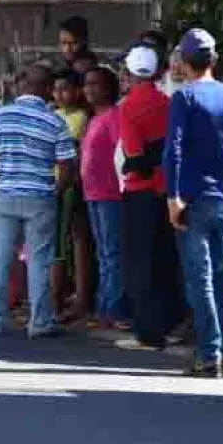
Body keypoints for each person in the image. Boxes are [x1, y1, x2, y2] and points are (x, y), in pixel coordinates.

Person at [160, 30, 223, 377]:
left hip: (193, 199)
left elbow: (173, 149)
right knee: (220, 277)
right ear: (213, 60)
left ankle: (210, 353)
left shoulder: (184, 98)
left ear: (184, 63)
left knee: (199, 279)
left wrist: (173, 197)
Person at [0, 63, 79, 338]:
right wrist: (55, 191)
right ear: (47, 89)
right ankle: (40, 322)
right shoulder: (54, 121)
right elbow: (68, 164)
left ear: (22, 86)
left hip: (4, 193)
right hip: (39, 196)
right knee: (39, 260)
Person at [118, 44, 183, 350]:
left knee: (139, 263)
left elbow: (135, 155)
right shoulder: (168, 103)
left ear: (129, 74)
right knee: (164, 260)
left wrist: (136, 164)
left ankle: (147, 332)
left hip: (140, 192)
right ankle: (167, 324)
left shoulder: (128, 107)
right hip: (167, 191)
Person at [81, 65, 127, 327]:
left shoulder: (113, 116)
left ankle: (113, 310)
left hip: (110, 194)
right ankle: (105, 307)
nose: (89, 89)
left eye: (95, 84)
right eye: (87, 84)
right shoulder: (94, 118)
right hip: (93, 194)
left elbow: (121, 154)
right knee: (102, 252)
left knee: (112, 252)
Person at [53, 69, 93, 321]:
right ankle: (56, 297)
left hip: (70, 186)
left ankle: (70, 297)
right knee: (59, 243)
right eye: (56, 89)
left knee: (69, 242)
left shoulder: (82, 117)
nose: (59, 94)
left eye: (64, 88)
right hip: (52, 182)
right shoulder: (53, 114)